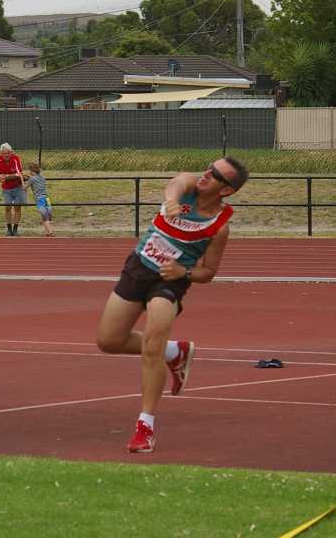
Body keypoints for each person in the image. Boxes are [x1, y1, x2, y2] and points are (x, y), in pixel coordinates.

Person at [95, 155, 249, 453]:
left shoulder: (219, 226)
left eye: (216, 174)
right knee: (108, 340)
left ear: (226, 190)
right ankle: (174, 351)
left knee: (151, 346)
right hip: (138, 268)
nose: (207, 173)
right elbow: (177, 182)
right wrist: (170, 201)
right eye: (210, 167)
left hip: (169, 282)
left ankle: (145, 426)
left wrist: (184, 273)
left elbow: (209, 272)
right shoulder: (189, 186)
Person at [0, 143, 26, 236]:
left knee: (17, 208)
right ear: (1, 153)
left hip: (18, 187)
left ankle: (15, 229)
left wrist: (6, 176)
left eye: (8, 153)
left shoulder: (16, 159)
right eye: (4, 153)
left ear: (11, 152)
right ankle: (9, 229)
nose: (6, 155)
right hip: (6, 188)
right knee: (7, 207)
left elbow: (19, 174)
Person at [23, 161, 54, 237]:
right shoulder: (42, 177)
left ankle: (50, 232)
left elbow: (24, 188)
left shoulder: (32, 179)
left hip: (39, 200)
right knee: (47, 216)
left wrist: (21, 178)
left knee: (45, 217)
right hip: (47, 198)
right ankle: (47, 232)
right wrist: (28, 176)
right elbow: (34, 178)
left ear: (31, 171)